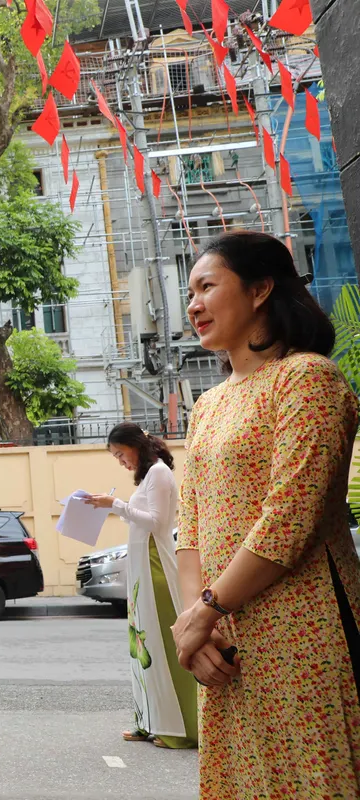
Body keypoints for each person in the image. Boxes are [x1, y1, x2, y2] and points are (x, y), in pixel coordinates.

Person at [171, 231, 360, 797]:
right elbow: (191, 524)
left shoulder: (308, 379)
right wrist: (194, 628)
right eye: (190, 291)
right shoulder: (207, 404)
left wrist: (207, 608)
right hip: (224, 644)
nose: (194, 304)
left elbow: (290, 518)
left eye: (207, 285)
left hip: (305, 629)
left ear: (259, 290)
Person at [83, 424, 198, 750]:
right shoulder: (150, 477)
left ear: (136, 445)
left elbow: (158, 523)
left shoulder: (160, 473)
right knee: (142, 650)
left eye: (121, 453)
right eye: (116, 457)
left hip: (155, 569)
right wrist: (116, 506)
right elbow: (142, 517)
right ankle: (148, 722)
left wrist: (115, 504)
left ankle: (178, 729)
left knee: (159, 648)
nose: (120, 461)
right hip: (141, 572)